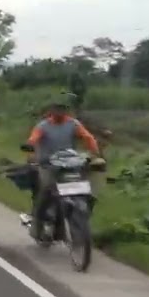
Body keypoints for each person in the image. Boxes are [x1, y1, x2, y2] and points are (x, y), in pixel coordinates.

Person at [24, 93, 101, 241]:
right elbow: (33, 139)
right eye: (57, 108)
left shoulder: (73, 124)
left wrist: (94, 153)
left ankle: (79, 226)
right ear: (51, 109)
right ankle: (37, 226)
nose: (60, 111)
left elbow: (88, 137)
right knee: (47, 191)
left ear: (67, 110)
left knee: (86, 193)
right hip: (48, 165)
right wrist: (31, 150)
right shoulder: (43, 126)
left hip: (70, 164)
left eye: (63, 108)